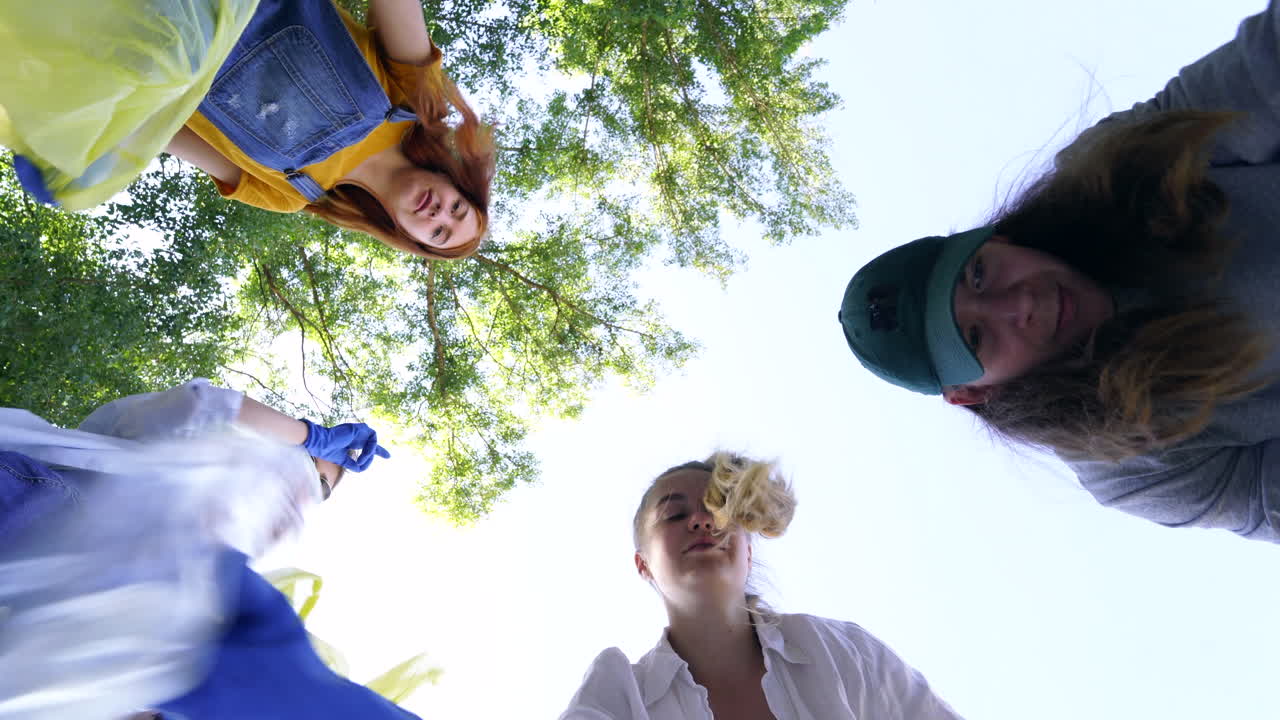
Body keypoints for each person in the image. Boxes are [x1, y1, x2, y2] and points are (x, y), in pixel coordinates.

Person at [837, 1, 1280, 541]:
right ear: (974, 394)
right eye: (976, 337)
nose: (1019, 304)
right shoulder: (1132, 469)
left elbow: (1264, 68)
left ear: (994, 239)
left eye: (979, 275)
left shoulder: (1112, 168)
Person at [0, 0, 495, 260]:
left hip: (141, 28)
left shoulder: (289, 194)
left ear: (404, 233)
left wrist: (81, 144)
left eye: (438, 231)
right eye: (458, 207)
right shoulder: (414, 101)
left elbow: (166, 130)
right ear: (456, 182)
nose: (441, 213)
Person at [561, 453, 964, 720]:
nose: (701, 522)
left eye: (718, 512)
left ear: (748, 552)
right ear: (643, 564)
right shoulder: (619, 693)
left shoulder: (841, 651)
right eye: (674, 515)